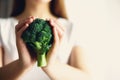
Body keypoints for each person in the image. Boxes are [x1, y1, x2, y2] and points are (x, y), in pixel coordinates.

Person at [0, 0, 90, 80]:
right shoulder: (2, 27)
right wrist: (22, 65)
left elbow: (87, 77)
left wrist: (52, 65)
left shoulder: (71, 28)